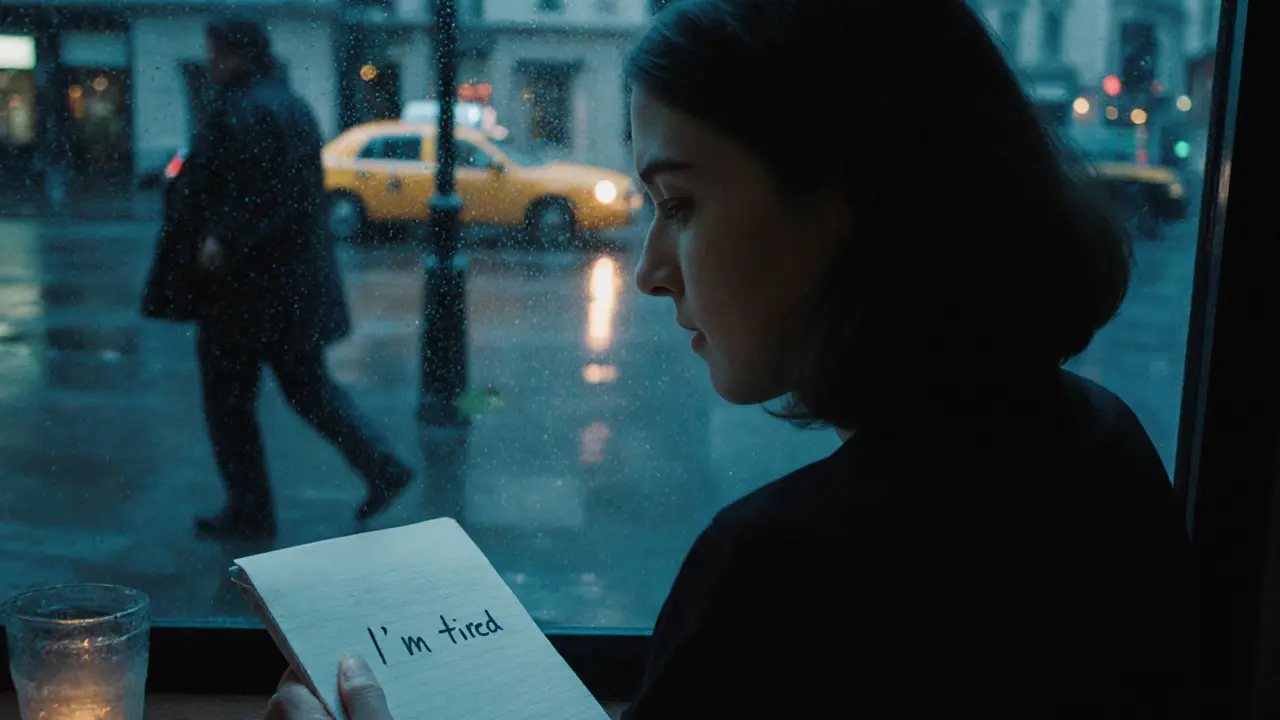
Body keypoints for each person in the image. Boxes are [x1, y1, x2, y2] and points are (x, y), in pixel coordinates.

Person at [266, 0, 1196, 716]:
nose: (648, 273)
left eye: (680, 205)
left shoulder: (785, 575)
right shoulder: (1103, 439)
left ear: (850, 192)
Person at [142, 15, 413, 542]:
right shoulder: (284, 103)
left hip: (245, 294)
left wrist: (223, 238)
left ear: (234, 53)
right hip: (286, 290)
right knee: (307, 389)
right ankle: (380, 465)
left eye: (214, 50)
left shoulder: (249, 109)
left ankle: (251, 510)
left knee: (230, 405)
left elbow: (259, 196)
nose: (209, 61)